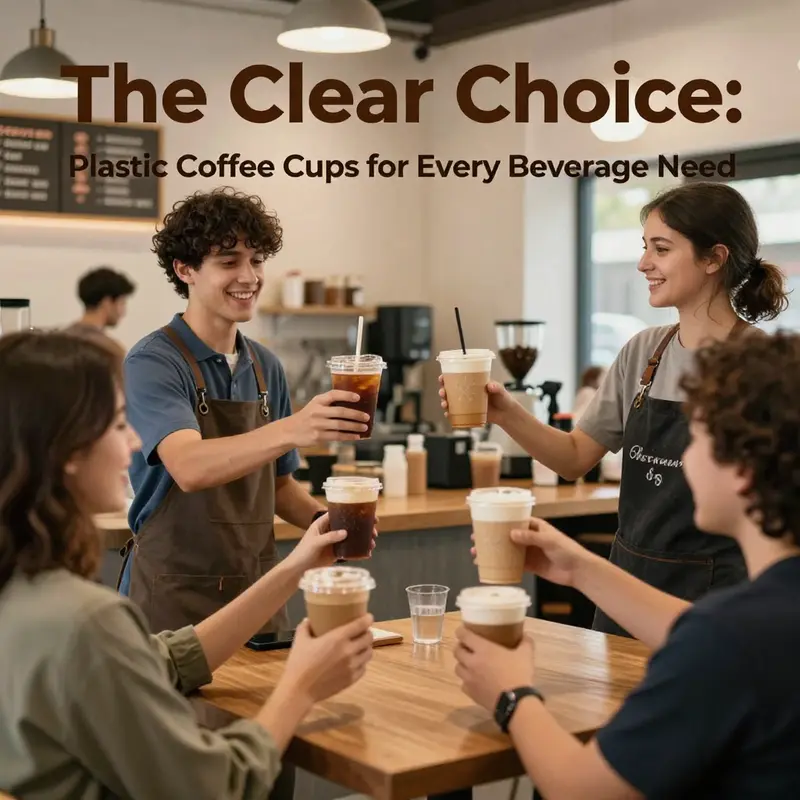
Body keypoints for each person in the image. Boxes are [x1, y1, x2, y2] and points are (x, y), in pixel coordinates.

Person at [0, 331, 375, 799]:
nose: (137, 442)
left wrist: (295, 566)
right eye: (119, 424)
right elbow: (216, 787)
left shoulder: (22, 596)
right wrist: (301, 686)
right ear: (68, 451)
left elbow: (166, 659)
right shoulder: (87, 624)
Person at [454, 329, 800, 799]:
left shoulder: (726, 643)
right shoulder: (759, 619)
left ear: (742, 471)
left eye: (694, 440)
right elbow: (698, 629)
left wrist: (511, 693)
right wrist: (579, 568)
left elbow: (581, 790)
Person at [441, 181, 789, 636]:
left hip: (714, 598)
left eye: (661, 249)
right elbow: (573, 458)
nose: (644, 263)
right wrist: (505, 412)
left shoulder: (762, 368)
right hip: (624, 585)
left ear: (713, 258)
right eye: (645, 248)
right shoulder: (645, 353)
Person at [118, 187, 371, 636]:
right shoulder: (153, 362)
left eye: (256, 260)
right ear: (186, 270)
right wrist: (294, 429)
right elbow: (189, 466)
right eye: (229, 261)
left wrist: (325, 525)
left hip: (259, 597)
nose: (249, 275)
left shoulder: (263, 366)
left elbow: (275, 486)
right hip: (174, 603)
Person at [66, 266, 136, 337]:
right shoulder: (104, 346)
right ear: (107, 303)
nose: (123, 312)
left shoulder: (60, 338)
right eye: (122, 303)